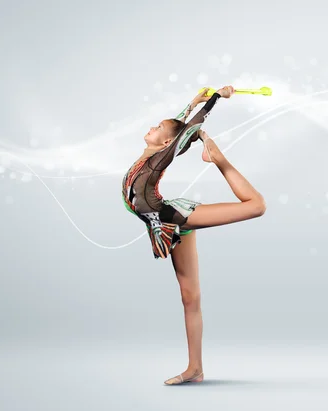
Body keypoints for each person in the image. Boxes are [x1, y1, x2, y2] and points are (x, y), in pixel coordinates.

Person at [122, 85, 266, 385]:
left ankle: (220, 161)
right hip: (166, 227)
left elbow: (184, 132)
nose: (152, 126)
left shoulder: (158, 157)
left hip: (173, 216)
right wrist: (192, 101)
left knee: (256, 207)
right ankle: (195, 369)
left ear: (165, 142)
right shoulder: (151, 152)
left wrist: (214, 100)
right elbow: (178, 127)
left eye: (158, 127)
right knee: (190, 296)